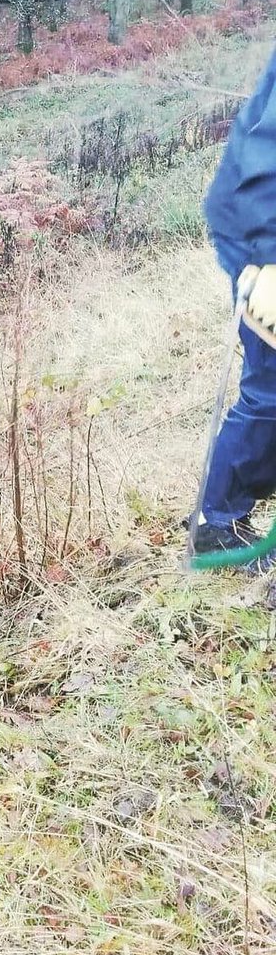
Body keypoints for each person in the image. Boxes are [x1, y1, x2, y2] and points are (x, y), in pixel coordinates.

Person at [194, 48, 276, 568]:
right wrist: (266, 264)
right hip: (259, 236)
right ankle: (217, 522)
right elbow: (262, 169)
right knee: (270, 389)